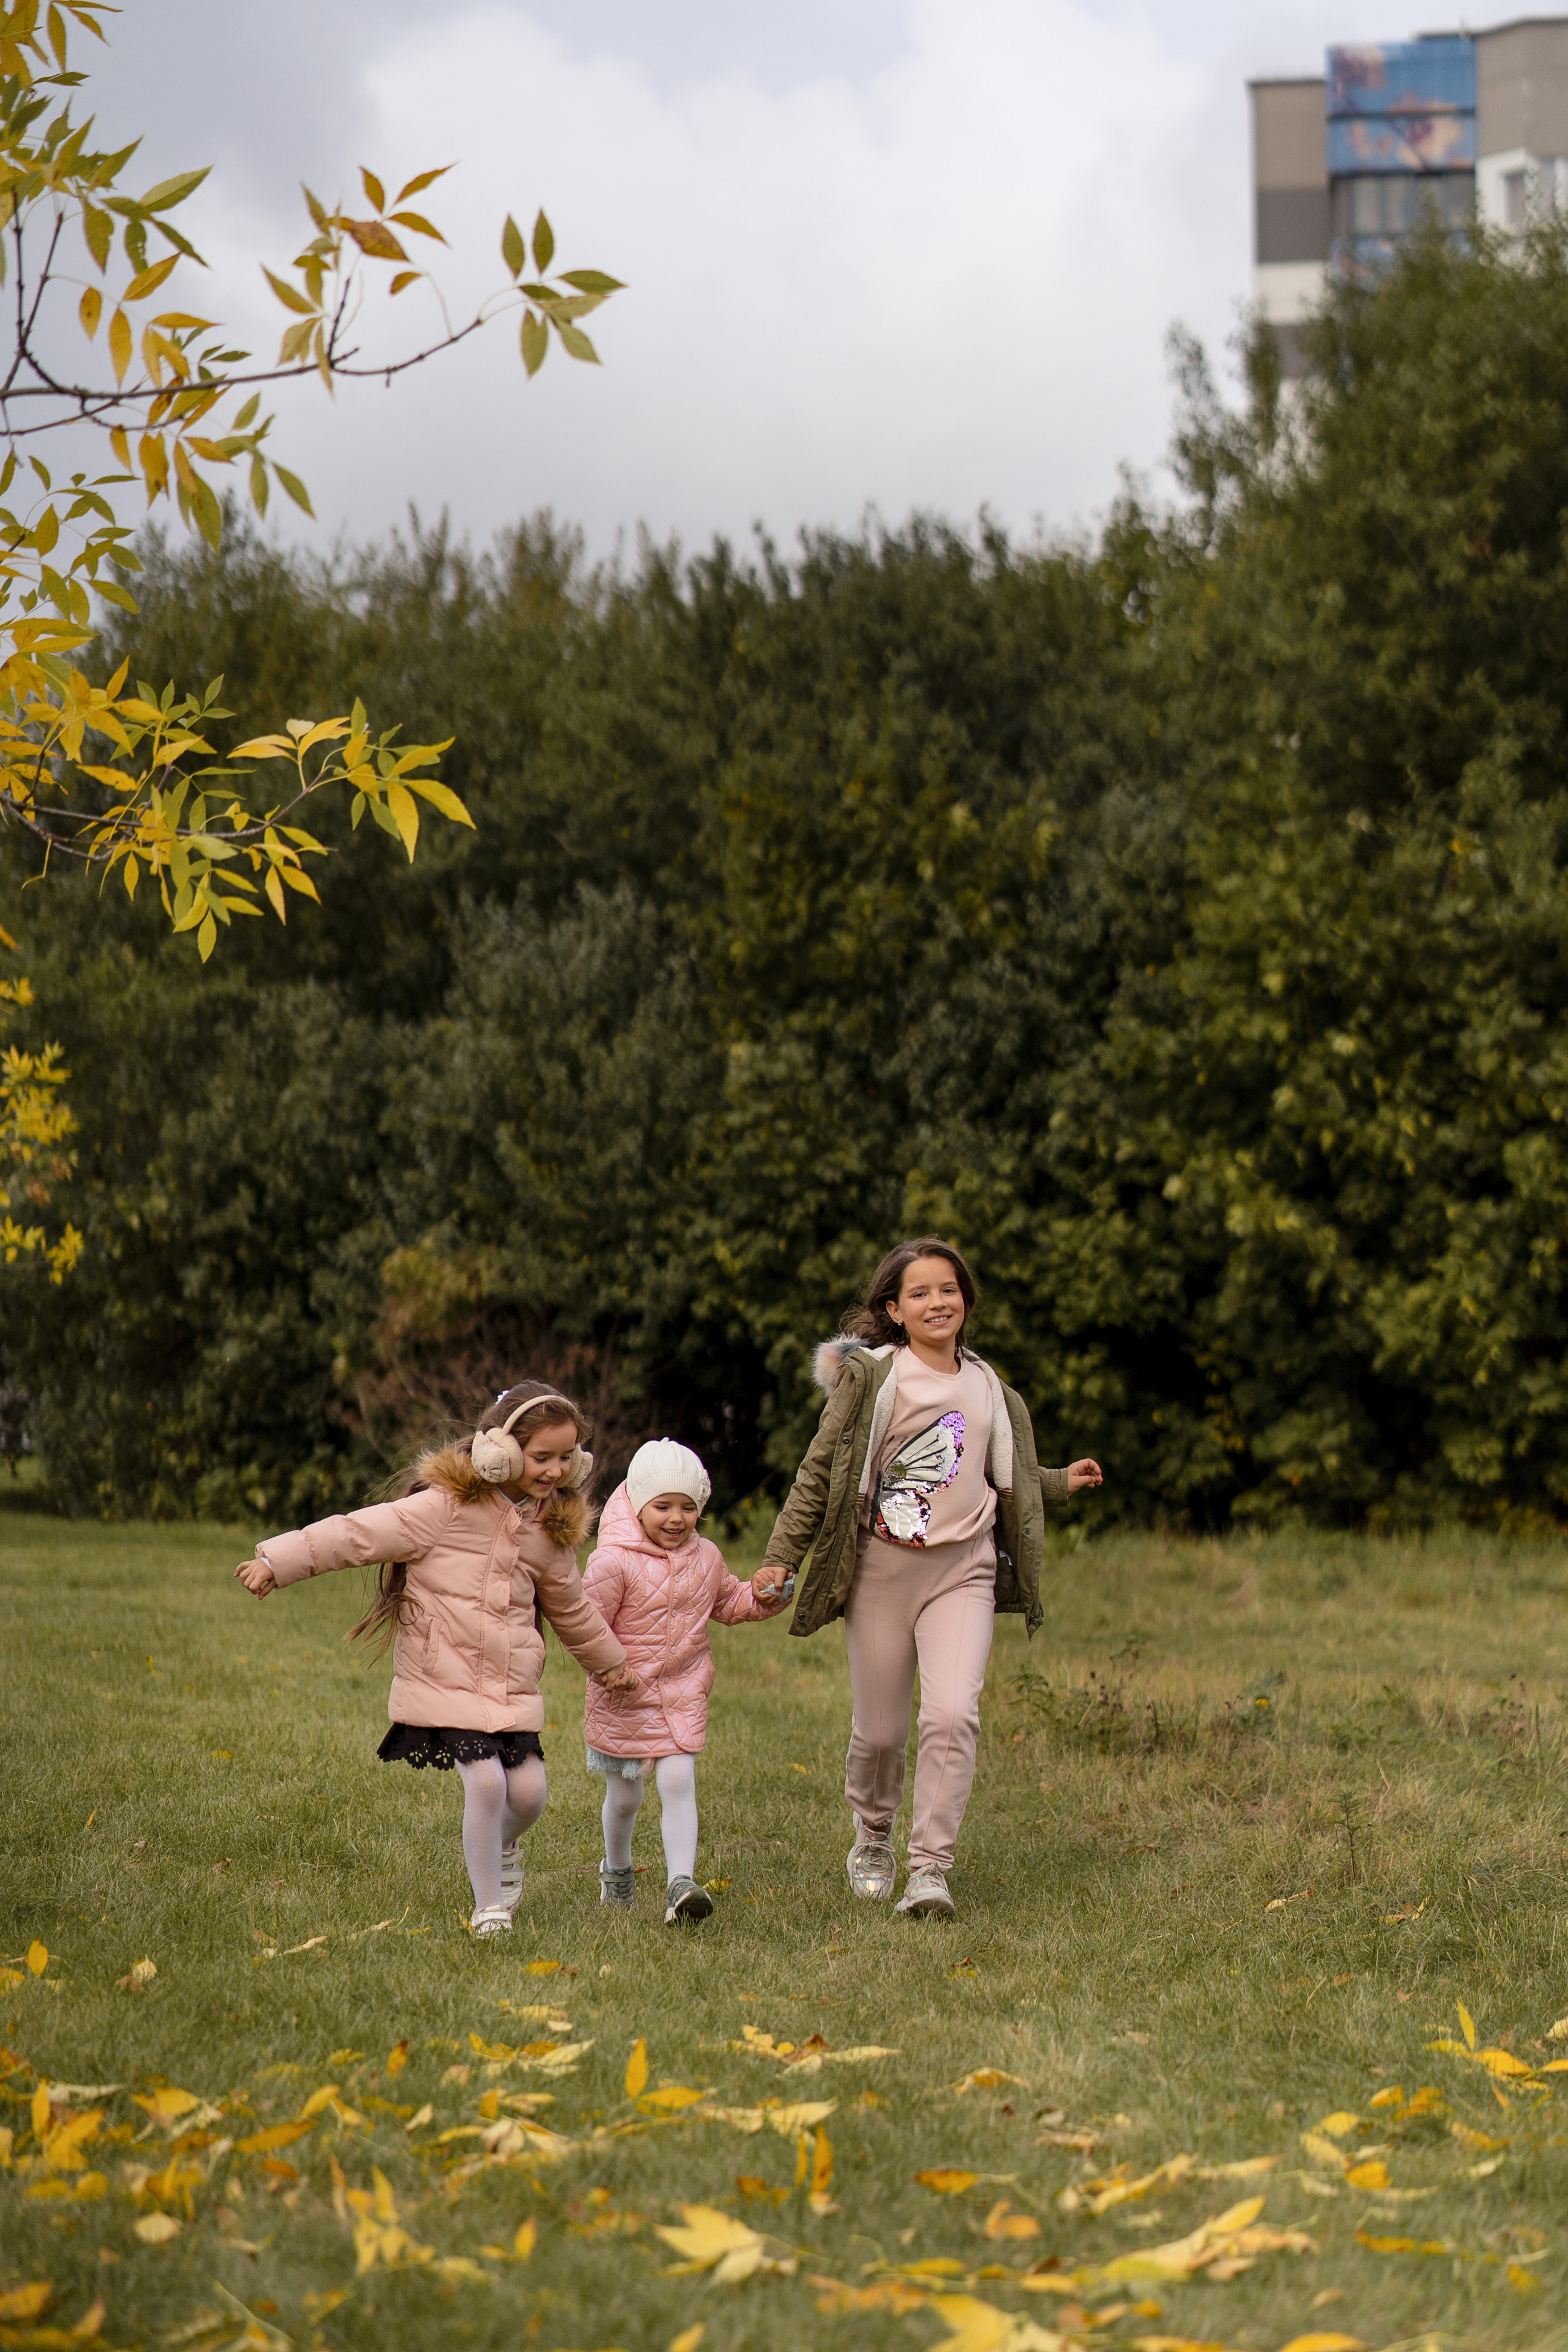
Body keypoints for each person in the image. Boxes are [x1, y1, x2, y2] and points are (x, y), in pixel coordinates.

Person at [753, 1239, 1102, 1920]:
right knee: (880, 1734)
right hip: (879, 1573)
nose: (937, 1302)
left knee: (952, 1714)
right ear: (893, 1309)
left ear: (965, 1300)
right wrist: (780, 1558)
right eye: (919, 1293)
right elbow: (820, 1470)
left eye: (948, 1289)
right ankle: (875, 1831)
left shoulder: (986, 1385)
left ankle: (930, 1870)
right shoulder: (874, 1378)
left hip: (963, 1573)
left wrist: (1058, 1482)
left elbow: (998, 1474)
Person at [232, 1381, 639, 1939]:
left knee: (529, 1795)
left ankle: (499, 1850)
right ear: (499, 1451)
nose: (554, 1469)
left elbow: (571, 1609)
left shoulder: (549, 1533)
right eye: (542, 1456)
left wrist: (609, 1661)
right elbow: (357, 1534)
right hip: (445, 1677)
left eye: (566, 1458)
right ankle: (489, 1908)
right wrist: (278, 1561)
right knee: (489, 1787)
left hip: (510, 1687)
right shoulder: (445, 1508)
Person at [583, 1438, 786, 1924]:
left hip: (682, 1692)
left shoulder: (707, 1557)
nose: (676, 1518)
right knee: (626, 1797)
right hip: (624, 1696)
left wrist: (764, 1596)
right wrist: (609, 1668)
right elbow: (586, 1627)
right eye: (663, 1506)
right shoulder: (612, 1561)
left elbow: (730, 1602)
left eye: (688, 1507)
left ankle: (681, 1883)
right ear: (637, 1504)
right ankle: (617, 1868)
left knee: (678, 1781)